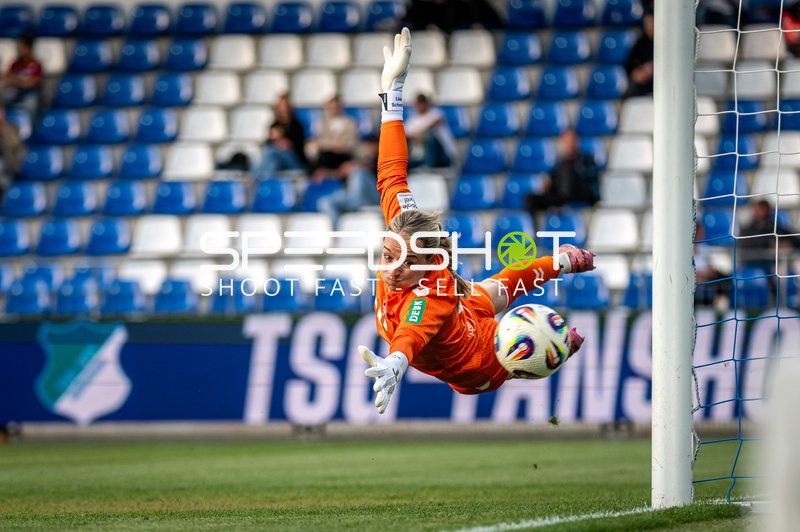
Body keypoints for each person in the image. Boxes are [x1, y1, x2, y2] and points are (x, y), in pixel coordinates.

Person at [359, 29, 595, 414]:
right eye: (388, 254)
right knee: (487, 292)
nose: (390, 269)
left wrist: (395, 363)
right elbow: (390, 171)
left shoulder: (428, 297)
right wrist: (392, 95)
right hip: (466, 312)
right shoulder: (404, 227)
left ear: (426, 265)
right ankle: (563, 263)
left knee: (511, 327)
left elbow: (411, 334)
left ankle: (555, 345)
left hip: (479, 363)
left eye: (403, 265)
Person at [524, 128, 600, 219]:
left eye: (572, 141)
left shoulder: (586, 160)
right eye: (567, 141)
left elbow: (591, 182)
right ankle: (531, 229)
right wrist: (548, 186)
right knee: (530, 199)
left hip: (579, 195)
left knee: (569, 172)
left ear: (577, 141)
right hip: (561, 196)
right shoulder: (560, 163)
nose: (570, 144)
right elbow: (554, 182)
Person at [317, 133, 381, 224]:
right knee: (325, 203)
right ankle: (339, 233)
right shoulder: (361, 157)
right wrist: (328, 173)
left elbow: (373, 169)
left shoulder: (383, 157)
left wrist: (356, 166)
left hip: (377, 196)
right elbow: (341, 172)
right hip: (355, 195)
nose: (370, 146)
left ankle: (354, 204)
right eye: (368, 143)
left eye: (373, 143)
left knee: (358, 172)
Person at [251, 93, 307, 179]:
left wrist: (287, 144)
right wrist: (275, 141)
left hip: (293, 159)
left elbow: (300, 145)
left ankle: (258, 179)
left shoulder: (296, 125)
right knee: (270, 155)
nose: (284, 109)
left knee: (271, 153)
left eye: (286, 106)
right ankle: (260, 178)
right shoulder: (274, 124)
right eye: (281, 106)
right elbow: (268, 143)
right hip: (277, 157)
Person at [309, 94, 358, 180]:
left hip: (343, 154)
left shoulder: (350, 123)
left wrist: (341, 146)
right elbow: (319, 141)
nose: (334, 109)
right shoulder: (322, 123)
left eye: (336, 106)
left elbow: (352, 141)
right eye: (331, 107)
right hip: (327, 154)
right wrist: (332, 145)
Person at [405, 93, 457, 169]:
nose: (419, 106)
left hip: (444, 155)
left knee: (430, 138)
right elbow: (406, 133)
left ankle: (430, 165)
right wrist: (414, 135)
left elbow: (435, 122)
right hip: (422, 156)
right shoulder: (414, 119)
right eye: (418, 104)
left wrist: (421, 133)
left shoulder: (436, 113)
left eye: (421, 103)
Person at [2, 36, 43, 116]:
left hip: (30, 94)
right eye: (21, 48)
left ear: (30, 49)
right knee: (5, 97)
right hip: (15, 92)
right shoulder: (15, 64)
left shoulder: (36, 64)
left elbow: (33, 82)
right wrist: (22, 81)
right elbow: (8, 79)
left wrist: (17, 80)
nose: (22, 50)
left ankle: (29, 126)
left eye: (24, 48)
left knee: (31, 104)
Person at [624, 12, 654, 98]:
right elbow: (630, 67)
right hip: (642, 88)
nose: (649, 27)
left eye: (652, 23)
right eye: (647, 24)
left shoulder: (668, 44)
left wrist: (653, 68)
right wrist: (637, 73)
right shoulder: (640, 43)